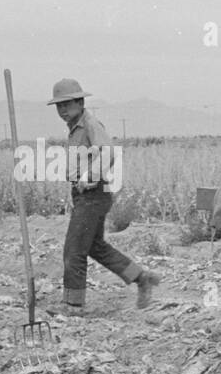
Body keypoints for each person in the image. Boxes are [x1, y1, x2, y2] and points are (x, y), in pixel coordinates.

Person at [49, 77, 159, 315]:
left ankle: (73, 305)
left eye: (66, 104)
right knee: (95, 246)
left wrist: (89, 176)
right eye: (59, 106)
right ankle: (142, 278)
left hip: (93, 193)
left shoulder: (90, 124)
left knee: (74, 249)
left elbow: (108, 152)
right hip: (86, 195)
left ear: (79, 102)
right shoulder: (75, 128)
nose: (62, 110)